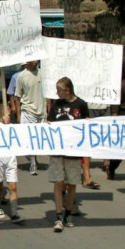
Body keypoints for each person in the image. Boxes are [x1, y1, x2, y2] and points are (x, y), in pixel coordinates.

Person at [48, 77, 89, 233]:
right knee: (58, 182)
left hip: (73, 150)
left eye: (59, 90)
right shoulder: (56, 104)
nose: (57, 93)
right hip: (58, 149)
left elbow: (86, 124)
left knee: (72, 182)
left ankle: (68, 212)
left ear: (68, 90)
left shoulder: (81, 104)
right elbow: (50, 121)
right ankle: (58, 215)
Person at [0, 100, 24, 224]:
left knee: (13, 187)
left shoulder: (13, 126)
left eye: (8, 106)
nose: (7, 108)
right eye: (3, 107)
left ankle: (14, 213)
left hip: (11, 158)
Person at [15, 60, 46, 175]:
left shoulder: (43, 74)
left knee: (39, 139)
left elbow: (47, 94)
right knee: (29, 137)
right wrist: (18, 115)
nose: (35, 61)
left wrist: (48, 110)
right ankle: (32, 162)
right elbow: (17, 97)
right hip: (28, 111)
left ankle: (34, 157)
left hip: (42, 111)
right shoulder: (21, 76)